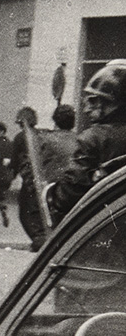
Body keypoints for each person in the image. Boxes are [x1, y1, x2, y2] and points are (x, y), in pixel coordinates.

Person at [48, 62, 126, 223]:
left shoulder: (93, 138)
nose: (86, 109)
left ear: (113, 103)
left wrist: (53, 195)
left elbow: (69, 195)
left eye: (93, 101)